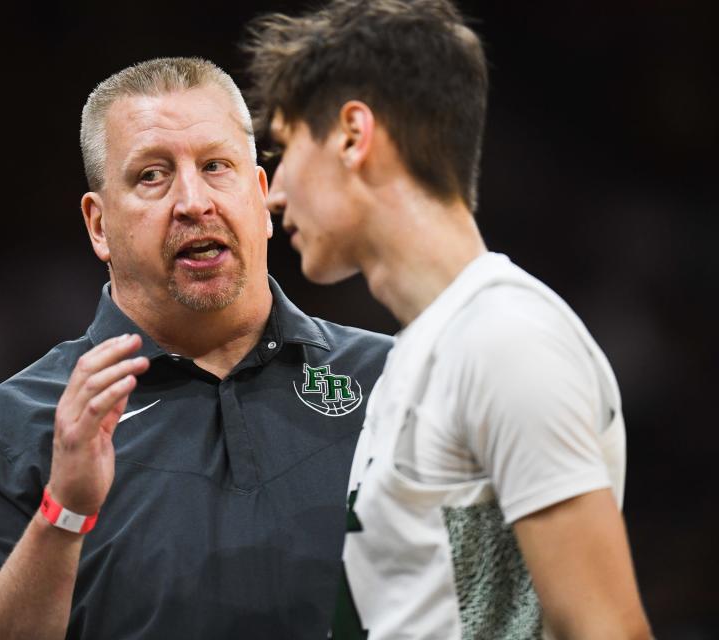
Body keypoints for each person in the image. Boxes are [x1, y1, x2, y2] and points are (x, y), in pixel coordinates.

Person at [0, 57, 392, 640]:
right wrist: (64, 512)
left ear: (262, 196)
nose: (193, 201)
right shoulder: (12, 432)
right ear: (99, 226)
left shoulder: (396, 380)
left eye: (217, 166)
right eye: (151, 176)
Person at [243, 1, 653, 638]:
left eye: (287, 147)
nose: (271, 191)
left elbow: (606, 628)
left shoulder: (504, 339)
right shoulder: (420, 354)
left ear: (354, 135)